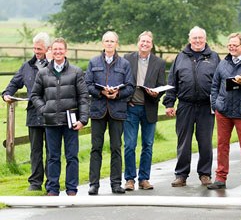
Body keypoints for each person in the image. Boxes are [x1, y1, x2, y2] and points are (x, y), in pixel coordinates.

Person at [163, 26, 220, 187]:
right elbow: (172, 82)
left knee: (205, 141)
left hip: (206, 106)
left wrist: (218, 103)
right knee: (184, 141)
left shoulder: (214, 57)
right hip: (185, 105)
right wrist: (169, 103)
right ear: (189, 39)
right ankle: (181, 174)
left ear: (205, 39)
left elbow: (220, 82)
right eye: (194, 38)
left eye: (200, 38)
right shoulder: (180, 57)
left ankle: (205, 174)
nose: (197, 41)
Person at [31, 37, 89, 196]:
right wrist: (44, 109)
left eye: (60, 49)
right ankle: (53, 189)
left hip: (71, 122)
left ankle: (71, 189)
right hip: (50, 122)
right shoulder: (43, 73)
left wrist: (83, 119)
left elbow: (83, 97)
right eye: (54, 49)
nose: (57, 52)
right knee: (53, 157)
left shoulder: (76, 72)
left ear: (65, 51)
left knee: (72, 156)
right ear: (50, 51)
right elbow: (35, 95)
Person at [208, 33, 241, 192]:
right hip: (223, 111)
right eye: (230, 45)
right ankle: (220, 178)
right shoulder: (222, 64)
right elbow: (215, 85)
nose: (232, 48)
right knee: (222, 145)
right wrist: (215, 104)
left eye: (235, 45)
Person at [85, 31, 134, 195]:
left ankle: (116, 184)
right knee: (96, 148)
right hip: (98, 110)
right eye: (106, 41)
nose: (109, 44)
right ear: (102, 43)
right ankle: (94, 184)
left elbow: (130, 87)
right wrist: (101, 93)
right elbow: (88, 84)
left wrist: (117, 94)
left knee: (116, 148)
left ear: (117, 44)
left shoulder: (125, 64)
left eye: (112, 41)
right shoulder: (93, 62)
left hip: (117, 110)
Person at [2, 32, 51, 191]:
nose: (36, 51)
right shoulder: (26, 67)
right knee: (35, 150)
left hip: (52, 114)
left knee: (52, 150)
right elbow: (14, 83)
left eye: (40, 48)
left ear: (48, 48)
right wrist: (6, 94)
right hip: (34, 114)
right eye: (35, 48)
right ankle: (35, 183)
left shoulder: (55, 65)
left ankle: (51, 182)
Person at [123, 31, 166, 191]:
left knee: (148, 145)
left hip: (149, 107)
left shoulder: (159, 63)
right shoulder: (127, 59)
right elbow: (121, 81)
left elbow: (162, 84)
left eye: (148, 42)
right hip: (131, 108)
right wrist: (126, 100)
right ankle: (129, 179)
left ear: (151, 44)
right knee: (129, 145)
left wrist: (157, 93)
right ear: (138, 42)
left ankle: (144, 178)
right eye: (143, 41)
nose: (145, 44)